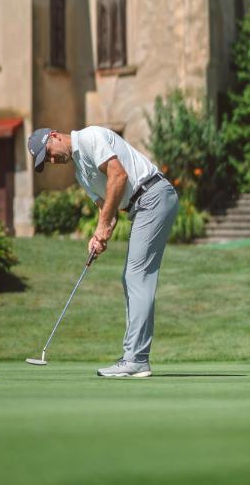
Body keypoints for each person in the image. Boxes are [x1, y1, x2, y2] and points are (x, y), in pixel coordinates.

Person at [27, 125, 179, 378]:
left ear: (53, 136)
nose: (52, 160)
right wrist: (100, 235)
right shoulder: (81, 175)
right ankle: (135, 357)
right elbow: (106, 207)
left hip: (153, 195)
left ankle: (136, 359)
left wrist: (101, 226)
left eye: (49, 153)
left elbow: (118, 177)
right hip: (141, 206)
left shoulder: (90, 137)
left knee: (136, 276)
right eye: (47, 160)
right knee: (131, 277)